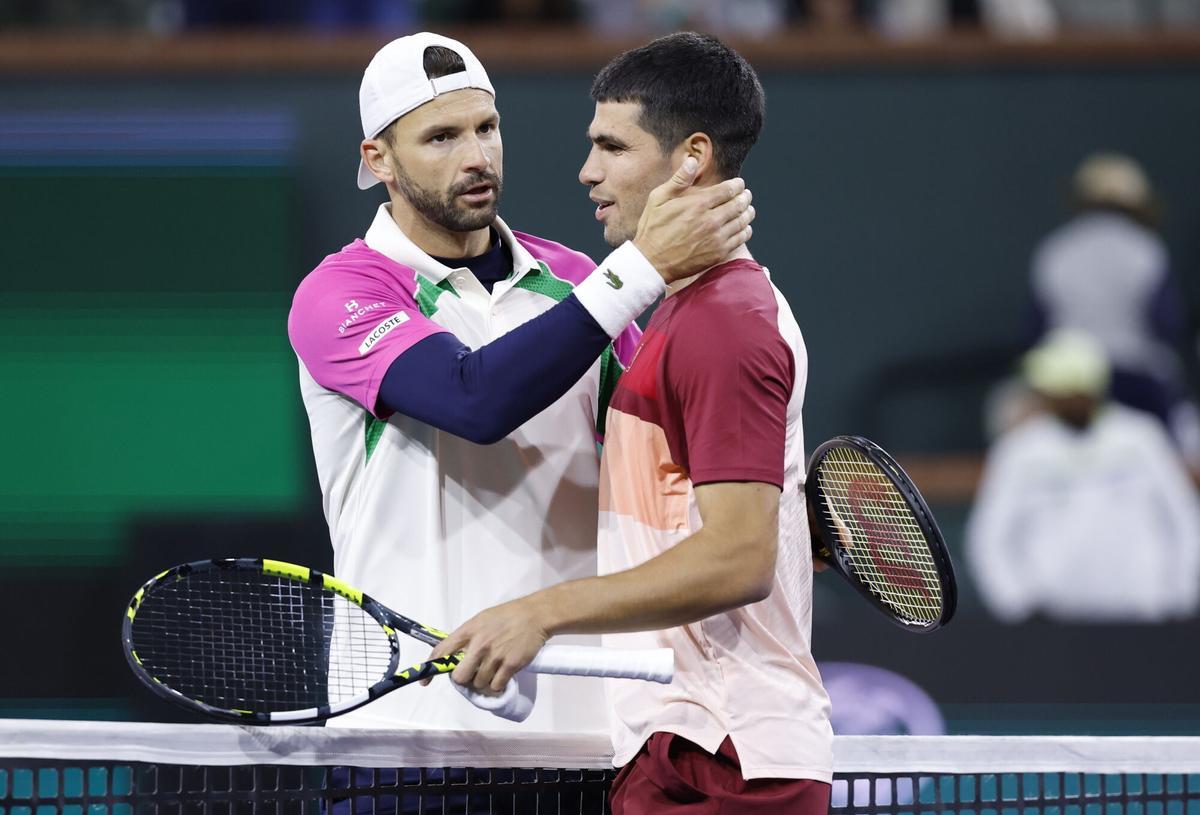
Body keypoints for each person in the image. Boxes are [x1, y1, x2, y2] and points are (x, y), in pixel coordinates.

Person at [286, 31, 755, 733]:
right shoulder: (341, 292)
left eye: (487, 128)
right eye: (441, 137)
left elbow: (660, 460)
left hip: (583, 735)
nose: (476, 157)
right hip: (408, 738)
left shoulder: (576, 280)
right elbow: (473, 399)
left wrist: (759, 506)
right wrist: (641, 270)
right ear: (377, 158)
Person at [431, 32, 833, 815]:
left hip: (724, 757)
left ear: (692, 157)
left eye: (612, 147)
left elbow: (738, 558)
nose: (588, 172)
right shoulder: (683, 315)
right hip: (680, 744)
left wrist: (539, 611)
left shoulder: (727, 321)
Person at [967, 330, 1200, 623]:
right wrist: (1019, 604)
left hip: (1143, 617)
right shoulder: (1019, 450)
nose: (1050, 395)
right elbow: (989, 537)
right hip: (1056, 626)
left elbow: (1184, 518)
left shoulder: (1142, 438)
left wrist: (1178, 597)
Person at [1028, 152, 1199, 466]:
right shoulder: (1146, 249)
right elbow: (1166, 324)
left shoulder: (1055, 251)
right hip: (1138, 386)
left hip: (1068, 392)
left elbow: (1037, 331)